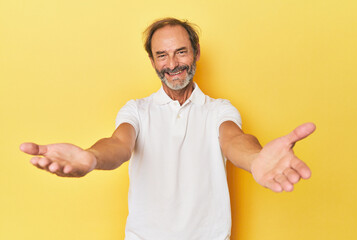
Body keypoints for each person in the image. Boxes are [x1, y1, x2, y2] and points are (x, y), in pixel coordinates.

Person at [20, 18, 316, 240]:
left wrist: (255, 160)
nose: (172, 64)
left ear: (196, 53)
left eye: (181, 52)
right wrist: (92, 157)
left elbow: (234, 140)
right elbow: (119, 144)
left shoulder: (219, 110)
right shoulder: (136, 110)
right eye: (162, 55)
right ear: (152, 61)